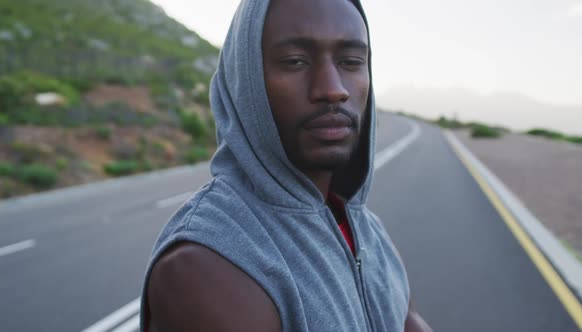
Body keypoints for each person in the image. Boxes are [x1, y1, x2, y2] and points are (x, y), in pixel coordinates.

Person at [141, 0, 432, 331]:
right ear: (245, 82)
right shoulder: (206, 266)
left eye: (351, 62)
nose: (333, 90)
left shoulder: (367, 230)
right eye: (295, 62)